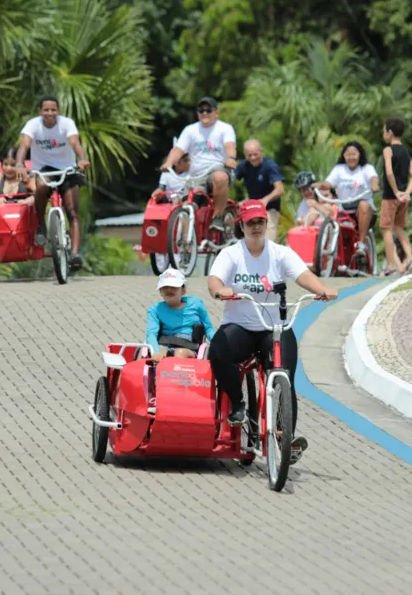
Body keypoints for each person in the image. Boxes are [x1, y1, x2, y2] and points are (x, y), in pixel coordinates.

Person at [207, 200, 338, 464]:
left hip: (274, 328)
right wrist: (220, 290)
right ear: (241, 226)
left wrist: (321, 289)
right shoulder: (231, 255)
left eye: (260, 222)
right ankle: (237, 402)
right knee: (219, 352)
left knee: (285, 377)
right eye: (250, 223)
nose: (256, 227)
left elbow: (303, 275)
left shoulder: (280, 253)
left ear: (266, 225)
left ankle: (283, 436)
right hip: (241, 326)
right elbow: (215, 280)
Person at [15, 95, 91, 270]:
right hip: (45, 169)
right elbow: (24, 146)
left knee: (72, 211)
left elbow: (75, 143)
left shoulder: (66, 124)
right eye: (46, 110)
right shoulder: (33, 125)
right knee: (41, 187)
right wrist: (20, 164)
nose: (50, 113)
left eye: (53, 110)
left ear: (58, 111)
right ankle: (41, 224)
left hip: (67, 169)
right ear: (40, 111)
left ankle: (75, 254)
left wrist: (82, 159)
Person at [160, 96, 237, 234]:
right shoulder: (190, 130)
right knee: (186, 207)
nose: (205, 113)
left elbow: (229, 145)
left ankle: (218, 218)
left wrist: (230, 158)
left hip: (217, 169)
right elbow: (179, 150)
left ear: (216, 112)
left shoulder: (225, 128)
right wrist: (169, 162)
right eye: (201, 110)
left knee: (220, 177)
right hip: (196, 176)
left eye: (208, 110)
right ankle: (186, 246)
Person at [315, 141, 379, 254]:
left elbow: (373, 178)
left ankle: (361, 244)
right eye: (348, 154)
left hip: (364, 212)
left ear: (360, 155)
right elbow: (328, 183)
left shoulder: (366, 168)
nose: (351, 157)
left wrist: (374, 185)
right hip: (344, 212)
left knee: (364, 204)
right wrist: (320, 185)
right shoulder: (339, 169)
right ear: (344, 156)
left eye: (354, 154)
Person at [145, 268, 216, 362]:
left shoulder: (196, 303)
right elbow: (151, 334)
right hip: (164, 345)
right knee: (159, 349)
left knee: (179, 353)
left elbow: (208, 328)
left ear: (183, 290)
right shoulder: (154, 310)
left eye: (174, 286)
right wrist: (156, 350)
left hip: (188, 347)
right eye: (165, 287)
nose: (169, 289)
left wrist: (220, 343)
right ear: (160, 291)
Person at [380, 118, 412, 277]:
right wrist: (406, 192)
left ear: (389, 133)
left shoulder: (388, 150)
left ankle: (390, 266)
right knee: (399, 228)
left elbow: (389, 172)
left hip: (391, 196)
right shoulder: (405, 151)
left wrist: (396, 191)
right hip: (403, 198)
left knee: (386, 229)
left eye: (384, 131)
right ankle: (410, 259)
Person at [234, 139, 284, 242]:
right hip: (251, 205)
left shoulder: (270, 166)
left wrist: (265, 200)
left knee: (266, 242)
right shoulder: (243, 165)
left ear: (261, 151)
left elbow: (280, 190)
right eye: (249, 155)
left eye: (255, 154)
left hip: (269, 208)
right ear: (245, 155)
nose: (253, 158)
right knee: (229, 211)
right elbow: (229, 180)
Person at [0, 147, 36, 229]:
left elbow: (38, 194)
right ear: (1, 164)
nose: (8, 168)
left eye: (13, 165)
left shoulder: (26, 177)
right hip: (0, 216)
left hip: (23, 214)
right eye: (5, 164)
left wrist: (27, 201)